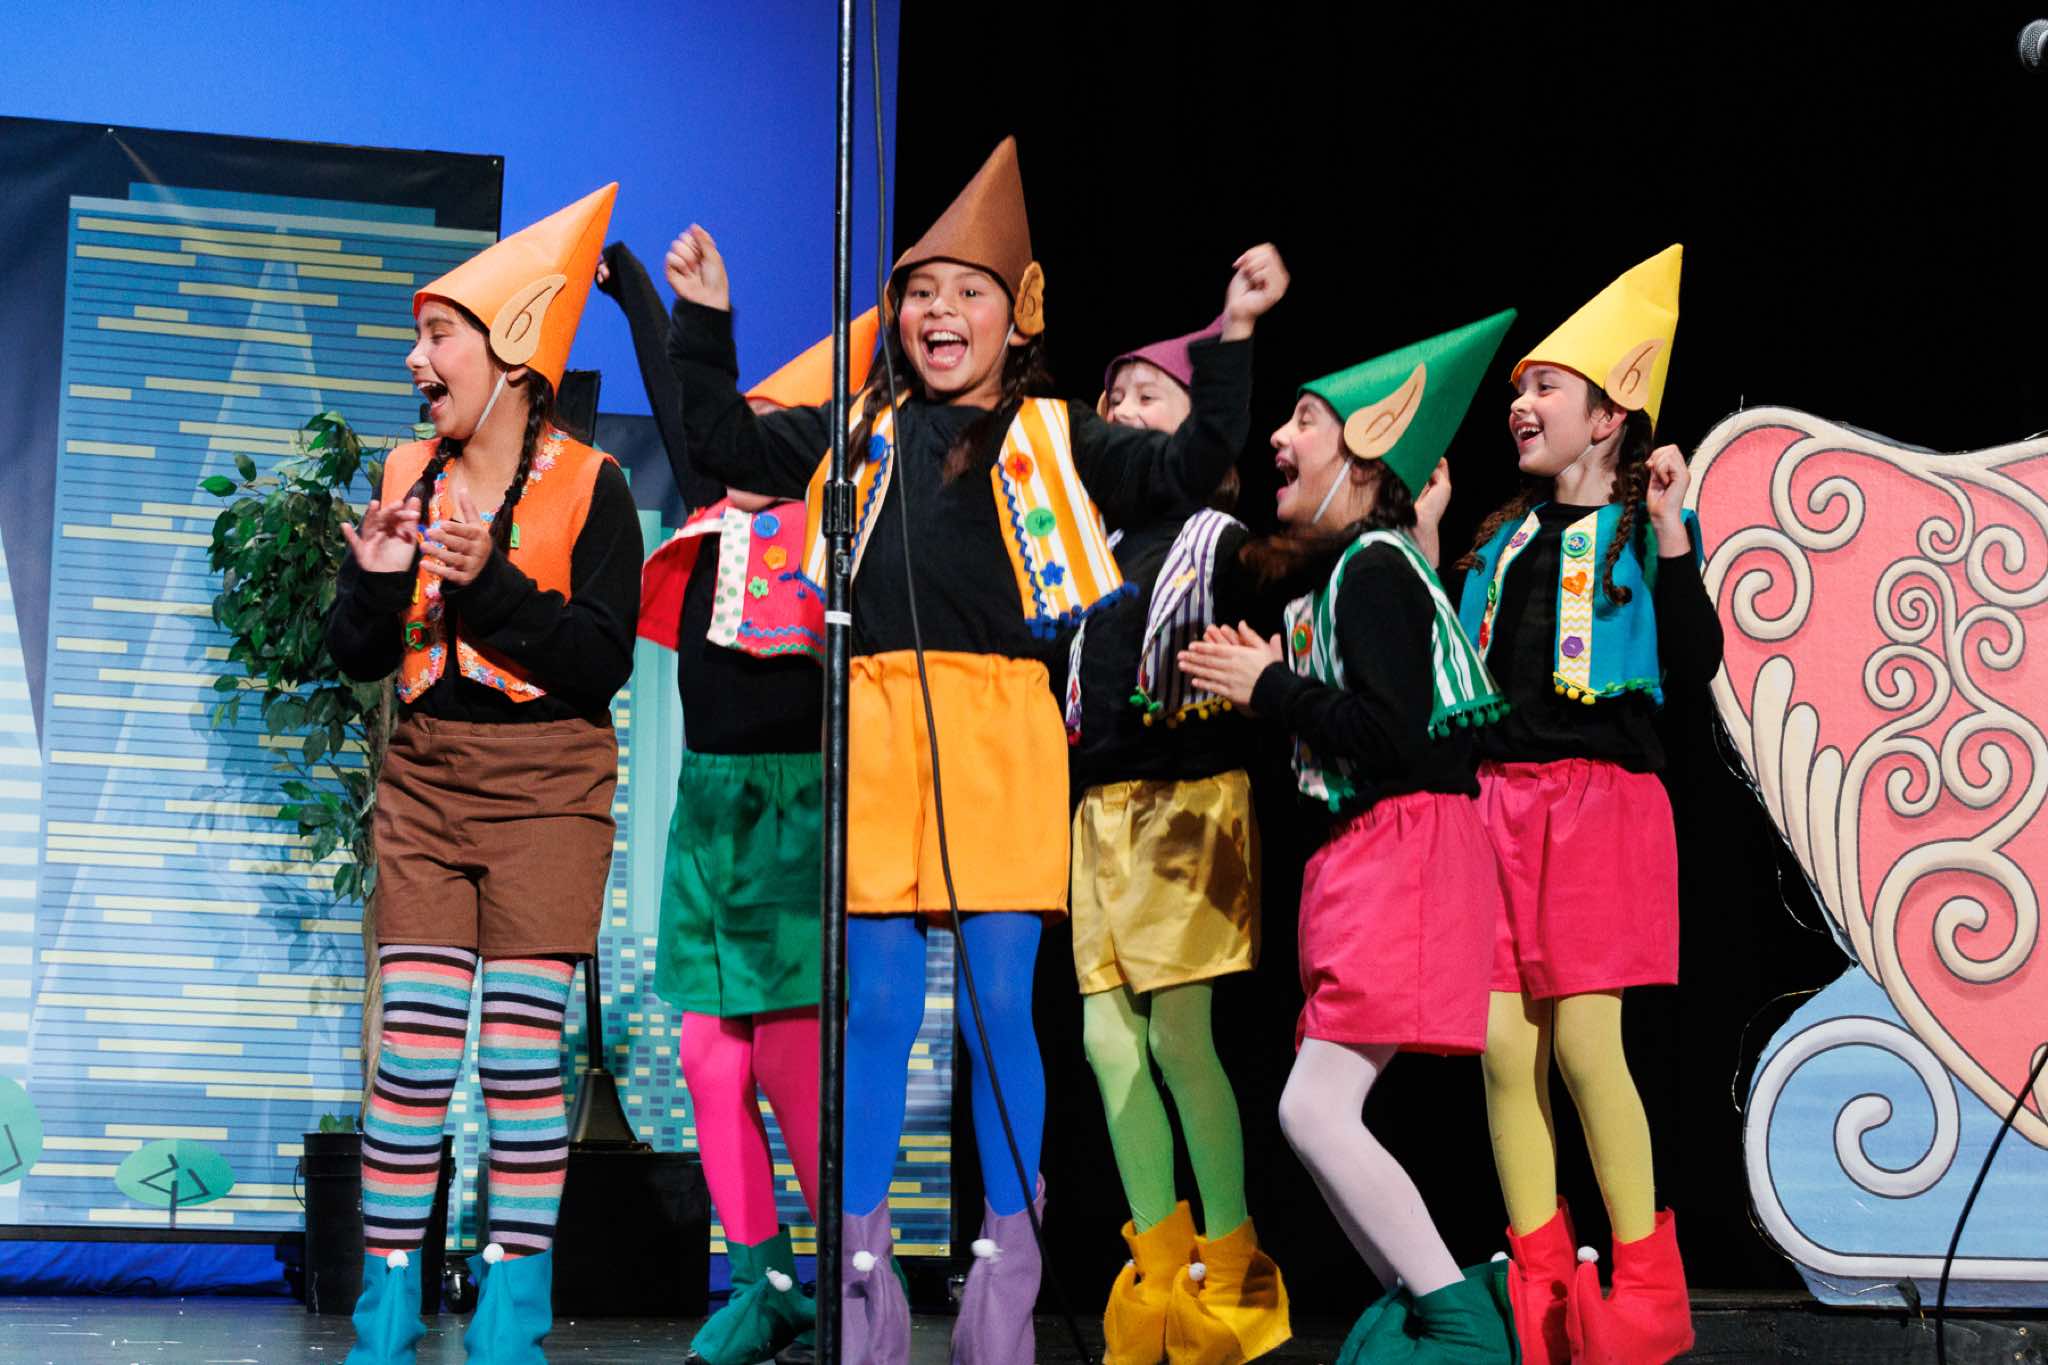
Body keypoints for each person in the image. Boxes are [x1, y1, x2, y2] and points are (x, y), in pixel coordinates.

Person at [664, 136, 1285, 1365]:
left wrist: (1232, 336)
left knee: (1001, 1005)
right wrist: (703, 322)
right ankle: (860, 1283)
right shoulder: (858, 432)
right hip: (879, 728)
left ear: (1017, 313)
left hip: (1001, 730)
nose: (938, 312)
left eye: (967, 291)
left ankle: (1005, 1271)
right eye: (919, 292)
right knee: (877, 1013)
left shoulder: (1053, 432)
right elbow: (726, 446)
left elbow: (1184, 465)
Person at [326, 185, 641, 1365]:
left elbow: (599, 661)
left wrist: (489, 583)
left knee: (515, 1054)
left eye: (437, 335)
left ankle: (514, 1295)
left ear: (511, 354)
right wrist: (371, 584)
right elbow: (361, 654)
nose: (416, 360)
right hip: (426, 779)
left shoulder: (594, 485)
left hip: (549, 788)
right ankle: (388, 1291)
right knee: (410, 1051)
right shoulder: (407, 471)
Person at [1179, 312, 1522, 1363]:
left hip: (1402, 850)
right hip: (1370, 852)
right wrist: (1268, 685)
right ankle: (1422, 1302)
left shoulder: (1374, 568)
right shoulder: (1354, 573)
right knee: (1315, 1108)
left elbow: (1396, 736)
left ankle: (1455, 1316)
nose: (1278, 438)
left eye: (1304, 420)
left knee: (1315, 1109)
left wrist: (1271, 687)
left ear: (1365, 453)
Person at [1455, 246, 1718, 1365]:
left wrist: (1672, 526)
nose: (1520, 404)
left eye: (1545, 387)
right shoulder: (1500, 539)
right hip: (1496, 808)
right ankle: (1544, 1288)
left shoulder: (1634, 536)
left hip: (1598, 808)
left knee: (1584, 1047)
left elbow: (1695, 661)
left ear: (1608, 417)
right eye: (1518, 389)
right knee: (1498, 1048)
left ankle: (1645, 1286)